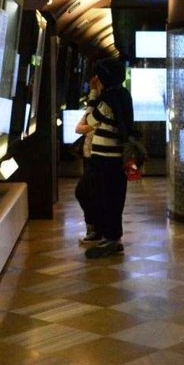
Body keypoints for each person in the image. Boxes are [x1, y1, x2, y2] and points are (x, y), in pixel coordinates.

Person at [83, 58, 134, 259]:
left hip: (105, 159)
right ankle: (113, 238)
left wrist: (93, 94)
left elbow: (89, 120)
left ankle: (111, 239)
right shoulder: (123, 94)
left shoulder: (107, 101)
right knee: (115, 198)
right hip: (116, 157)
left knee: (105, 198)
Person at [73, 76, 101, 245]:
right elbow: (78, 128)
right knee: (88, 193)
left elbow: (82, 127)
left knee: (83, 192)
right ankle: (93, 229)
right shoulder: (94, 107)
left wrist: (88, 126)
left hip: (96, 157)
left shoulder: (104, 107)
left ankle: (94, 230)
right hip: (88, 156)